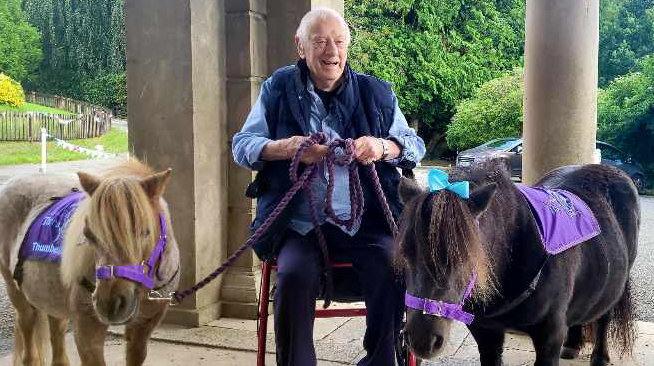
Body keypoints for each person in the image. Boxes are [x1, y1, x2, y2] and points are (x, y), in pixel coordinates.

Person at [232, 7, 425, 366]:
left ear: (348, 47)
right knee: (291, 275)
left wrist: (381, 147)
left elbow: (413, 145)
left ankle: (382, 360)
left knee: (393, 266)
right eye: (319, 41)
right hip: (300, 226)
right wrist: (286, 148)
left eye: (338, 42)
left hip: (366, 224)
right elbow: (242, 145)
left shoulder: (376, 92)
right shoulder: (276, 89)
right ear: (300, 46)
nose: (330, 51)